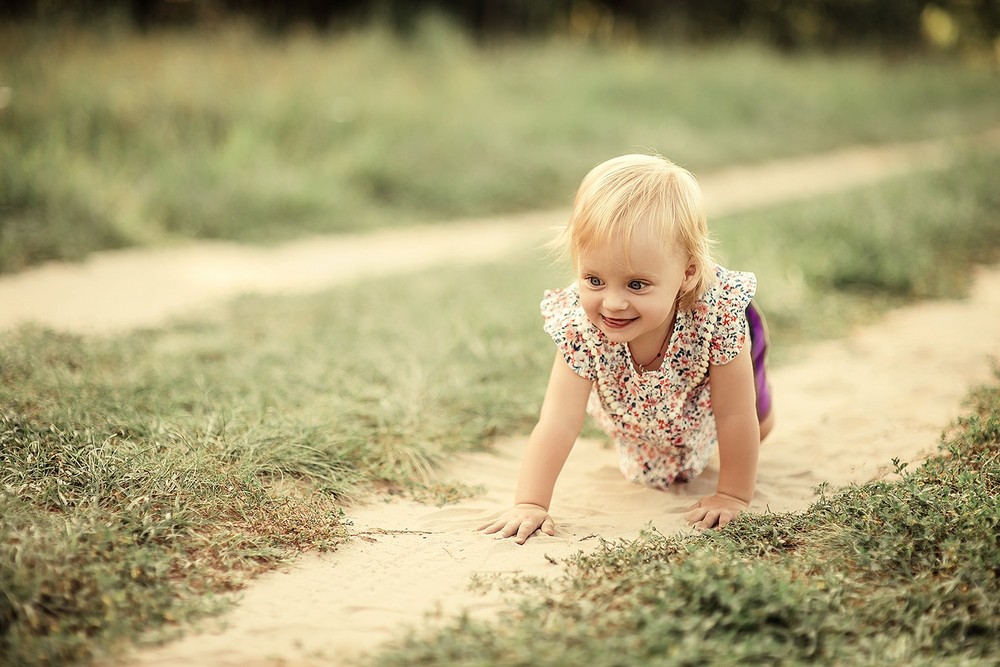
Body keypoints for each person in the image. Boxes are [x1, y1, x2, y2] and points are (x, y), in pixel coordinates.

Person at [479, 153, 774, 545]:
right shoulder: (580, 326)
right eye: (594, 279)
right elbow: (558, 420)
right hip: (640, 403)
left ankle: (762, 413)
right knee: (650, 468)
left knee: (758, 423)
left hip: (721, 361)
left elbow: (734, 414)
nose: (613, 303)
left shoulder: (717, 316)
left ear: (687, 273)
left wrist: (732, 494)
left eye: (636, 284)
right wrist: (531, 502)